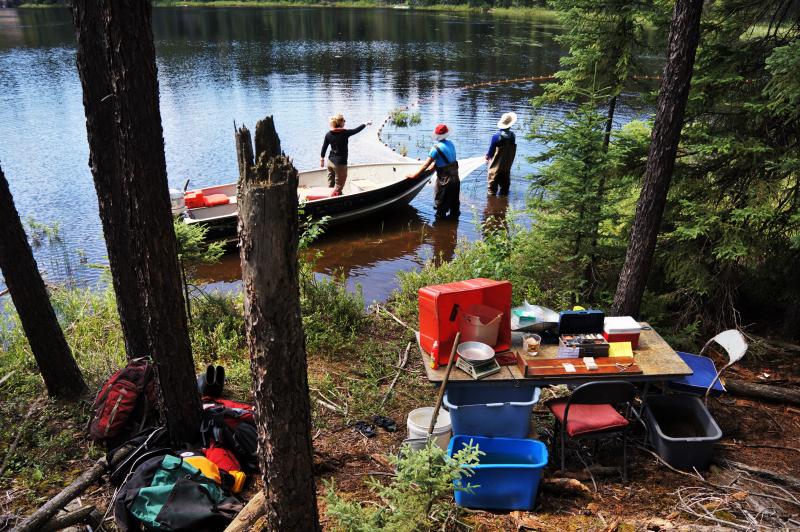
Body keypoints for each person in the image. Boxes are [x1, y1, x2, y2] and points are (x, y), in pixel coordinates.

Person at [406, 123, 460, 219]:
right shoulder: (451, 144)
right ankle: (453, 227)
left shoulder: (435, 149)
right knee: (454, 205)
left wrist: (415, 175)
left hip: (445, 181)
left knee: (441, 207)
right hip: (456, 179)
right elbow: (447, 161)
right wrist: (435, 165)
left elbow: (426, 165)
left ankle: (440, 228)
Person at [320, 114, 371, 195]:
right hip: (340, 164)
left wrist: (322, 159)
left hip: (330, 163)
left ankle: (328, 199)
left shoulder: (328, 134)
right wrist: (366, 123)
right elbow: (356, 130)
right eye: (344, 120)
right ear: (340, 122)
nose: (345, 122)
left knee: (330, 186)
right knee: (338, 188)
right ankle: (336, 203)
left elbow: (324, 147)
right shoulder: (345, 133)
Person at [485, 112, 517, 196]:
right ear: (510, 125)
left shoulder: (496, 136)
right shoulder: (513, 136)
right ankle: (504, 205)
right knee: (505, 190)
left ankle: (492, 205)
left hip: (496, 169)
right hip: (506, 167)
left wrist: (487, 157)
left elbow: (490, 153)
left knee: (491, 191)